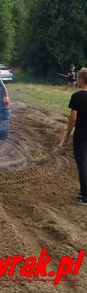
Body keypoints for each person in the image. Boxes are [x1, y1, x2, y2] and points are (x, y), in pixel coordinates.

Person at [60, 67, 87, 205]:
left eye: (78, 77)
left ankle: (85, 196)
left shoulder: (77, 97)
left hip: (81, 135)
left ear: (81, 79)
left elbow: (73, 119)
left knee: (82, 164)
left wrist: (66, 136)